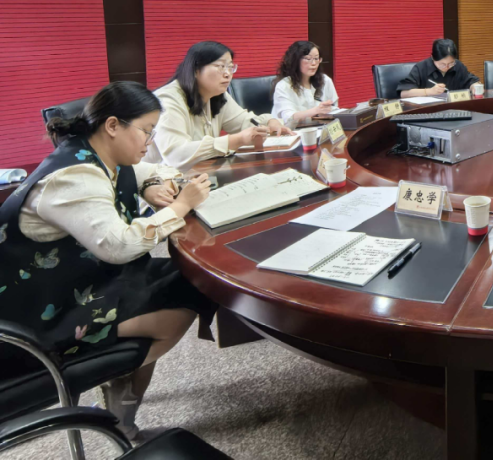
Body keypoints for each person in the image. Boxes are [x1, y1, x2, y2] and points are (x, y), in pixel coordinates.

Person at [0, 82, 214, 440]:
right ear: (113, 125)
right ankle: (119, 409)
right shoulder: (72, 178)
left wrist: (150, 185)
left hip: (75, 282)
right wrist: (180, 205)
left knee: (187, 280)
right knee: (176, 306)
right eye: (146, 131)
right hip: (34, 315)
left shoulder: (99, 154)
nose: (150, 141)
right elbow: (120, 246)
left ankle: (121, 397)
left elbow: (155, 170)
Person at [145, 41, 291, 170]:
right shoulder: (167, 100)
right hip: (162, 184)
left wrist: (269, 122)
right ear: (196, 70)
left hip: (203, 175)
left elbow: (243, 122)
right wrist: (235, 140)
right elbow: (176, 155)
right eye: (221, 66)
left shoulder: (217, 94)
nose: (228, 74)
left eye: (230, 67)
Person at [272, 40, 339, 128]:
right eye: (308, 59)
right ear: (296, 60)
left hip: (320, 129)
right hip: (291, 131)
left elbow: (334, 109)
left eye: (316, 58)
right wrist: (316, 110)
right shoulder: (284, 86)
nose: (314, 63)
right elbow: (289, 119)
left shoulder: (325, 80)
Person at [398, 39, 479, 98]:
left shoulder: (458, 65)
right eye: (442, 64)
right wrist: (429, 91)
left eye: (451, 63)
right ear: (433, 58)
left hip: (454, 109)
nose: (447, 67)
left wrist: (475, 86)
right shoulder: (421, 67)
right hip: (428, 110)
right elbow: (403, 93)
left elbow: (472, 81)